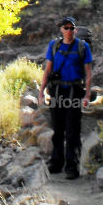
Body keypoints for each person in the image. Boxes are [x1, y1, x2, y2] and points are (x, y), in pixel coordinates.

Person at [37, 16, 93, 179]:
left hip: (74, 91)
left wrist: (87, 94)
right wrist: (41, 92)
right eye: (65, 28)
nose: (68, 31)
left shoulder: (83, 47)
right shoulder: (54, 46)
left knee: (72, 130)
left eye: (71, 28)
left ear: (75, 29)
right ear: (61, 29)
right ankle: (56, 162)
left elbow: (88, 73)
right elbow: (48, 70)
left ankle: (72, 165)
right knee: (58, 129)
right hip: (56, 91)